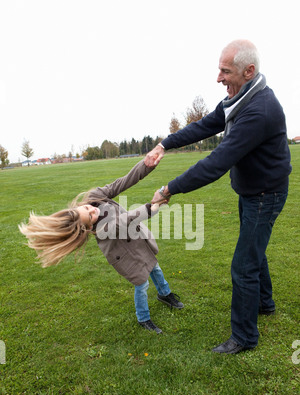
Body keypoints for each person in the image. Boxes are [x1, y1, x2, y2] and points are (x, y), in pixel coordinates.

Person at [148, 39, 292, 353]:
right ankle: (264, 304)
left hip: (266, 194)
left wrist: (169, 189)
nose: (218, 78)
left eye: (225, 71)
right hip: (253, 190)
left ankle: (244, 337)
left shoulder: (259, 111)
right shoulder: (237, 100)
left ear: (249, 71)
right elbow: (206, 125)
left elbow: (217, 161)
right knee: (254, 250)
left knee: (244, 265)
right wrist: (165, 144)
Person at [19, 157, 184, 334]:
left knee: (155, 268)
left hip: (137, 242)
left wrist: (145, 165)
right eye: (90, 217)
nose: (92, 211)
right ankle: (143, 318)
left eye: (86, 209)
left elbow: (122, 182)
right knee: (142, 284)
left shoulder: (94, 198)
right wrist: (151, 208)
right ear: (89, 227)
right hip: (126, 257)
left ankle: (164, 294)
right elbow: (123, 221)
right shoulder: (101, 229)